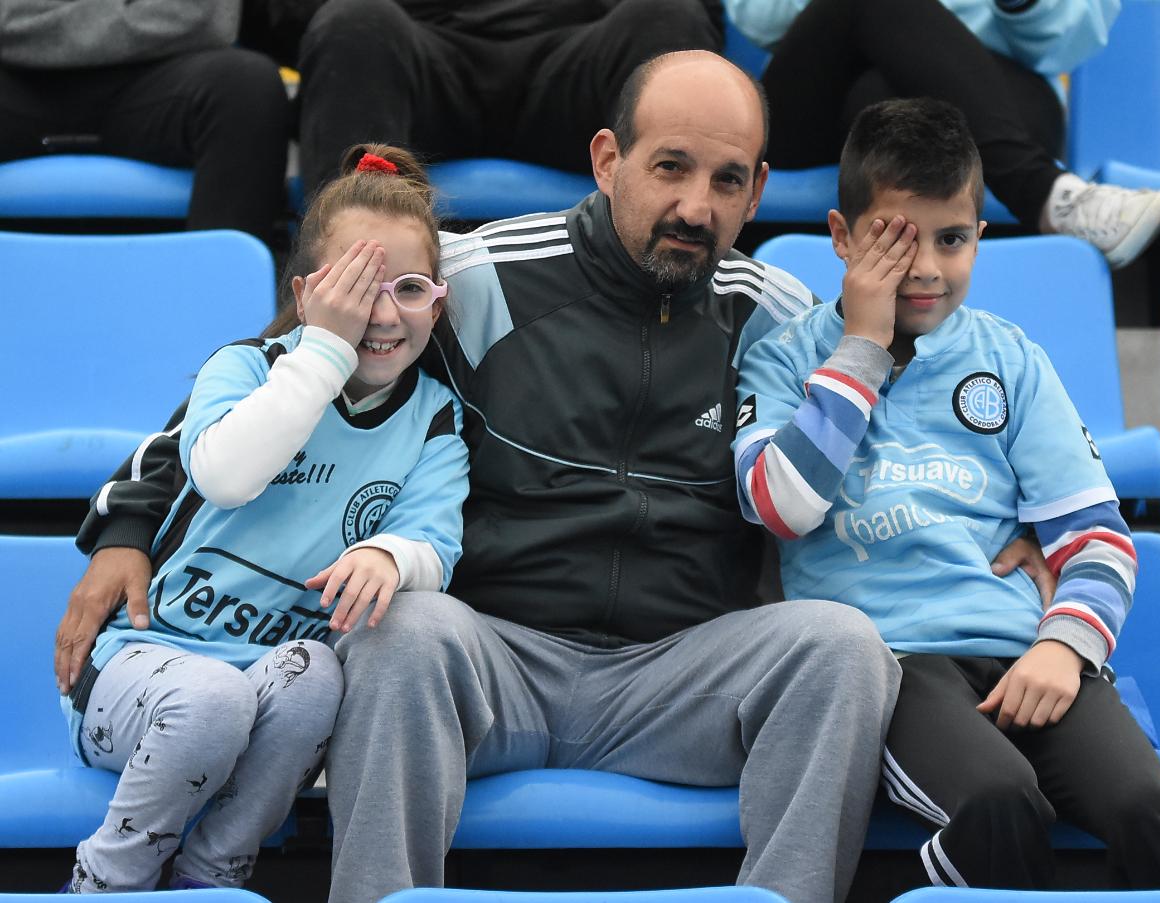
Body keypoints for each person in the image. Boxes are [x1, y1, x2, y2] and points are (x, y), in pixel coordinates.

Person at [54, 53, 1049, 903]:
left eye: (725, 180)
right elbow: (283, 361)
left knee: (839, 647)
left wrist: (1026, 524)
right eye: (669, 167)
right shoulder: (483, 274)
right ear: (607, 161)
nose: (693, 206)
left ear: (754, 193)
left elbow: (894, 422)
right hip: (493, 662)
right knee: (401, 624)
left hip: (682, 673)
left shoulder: (771, 310)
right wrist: (130, 527)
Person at [733, 97, 1160, 889]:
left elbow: (1098, 540)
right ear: (841, 237)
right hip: (895, 669)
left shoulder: (1010, 358)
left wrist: (1060, 646)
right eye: (895, 240)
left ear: (981, 236)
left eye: (953, 239)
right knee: (1000, 800)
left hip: (1028, 655)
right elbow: (781, 502)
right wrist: (863, 349)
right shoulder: (782, 360)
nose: (928, 269)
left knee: (1156, 808)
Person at [59, 144, 469, 893]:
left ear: (437, 303)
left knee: (317, 678)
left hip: (268, 676)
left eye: (408, 289)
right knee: (213, 699)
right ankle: (106, 880)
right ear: (307, 293)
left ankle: (215, 872)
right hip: (140, 666)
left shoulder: (436, 418)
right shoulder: (248, 368)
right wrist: (322, 352)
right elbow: (224, 473)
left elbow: (434, 539)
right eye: (356, 288)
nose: (381, 313)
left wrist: (391, 556)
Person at [726, 0, 1160, 269]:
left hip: (992, 90)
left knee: (882, 96)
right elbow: (760, 18)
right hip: (824, 92)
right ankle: (1046, 194)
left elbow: (1069, 43)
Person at [293, 0, 722, 194]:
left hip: (573, 61)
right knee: (355, 21)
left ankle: (667, 301)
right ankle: (348, 291)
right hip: (423, 55)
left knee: (668, 15)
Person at [0, 0, 289, 246]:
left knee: (246, 86)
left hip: (162, 76)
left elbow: (202, 17)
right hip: (17, 80)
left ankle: (217, 300)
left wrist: (43, 25)